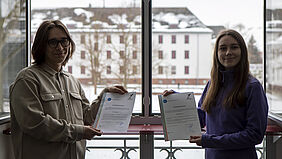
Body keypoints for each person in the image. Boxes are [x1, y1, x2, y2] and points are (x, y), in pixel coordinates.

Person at [9, 20, 128, 159]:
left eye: (64, 41)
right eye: (53, 42)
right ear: (41, 45)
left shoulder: (72, 81)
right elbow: (35, 123)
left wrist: (104, 96)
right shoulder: (27, 79)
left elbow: (86, 117)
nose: (60, 47)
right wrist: (78, 132)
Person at [163, 29, 268, 159]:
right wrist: (177, 100)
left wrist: (210, 141)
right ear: (217, 53)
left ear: (242, 51)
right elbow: (201, 117)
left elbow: (254, 135)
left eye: (234, 47)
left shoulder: (253, 87)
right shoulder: (213, 84)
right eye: (222, 48)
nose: (228, 52)